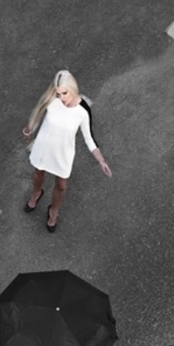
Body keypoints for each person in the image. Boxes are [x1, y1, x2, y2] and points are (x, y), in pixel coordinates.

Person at [22, 69, 112, 232]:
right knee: (38, 172)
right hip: (44, 148)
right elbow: (38, 113)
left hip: (62, 154)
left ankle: (53, 211)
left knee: (61, 185)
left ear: (72, 88)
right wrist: (29, 129)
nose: (61, 98)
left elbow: (89, 138)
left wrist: (101, 160)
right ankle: (36, 194)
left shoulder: (83, 110)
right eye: (58, 94)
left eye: (64, 93)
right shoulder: (52, 99)